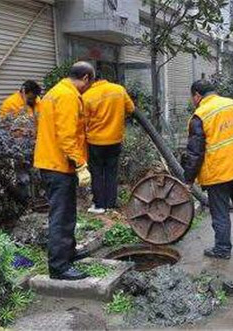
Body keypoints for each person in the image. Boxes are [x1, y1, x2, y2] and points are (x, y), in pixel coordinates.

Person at [181, 80, 233, 259]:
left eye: (193, 97)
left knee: (220, 211)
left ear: (197, 95)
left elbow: (195, 152)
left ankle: (222, 249)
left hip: (219, 173)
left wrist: (188, 180)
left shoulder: (200, 115)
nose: (193, 101)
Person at [34, 62, 95, 280]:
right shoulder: (68, 97)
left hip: (52, 162)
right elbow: (67, 136)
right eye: (89, 83)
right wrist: (80, 164)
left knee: (67, 211)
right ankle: (59, 267)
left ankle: (68, 253)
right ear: (86, 78)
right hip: (59, 165)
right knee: (61, 215)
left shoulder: (54, 92)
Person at [82, 76, 135, 214]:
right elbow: (131, 108)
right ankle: (111, 204)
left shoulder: (87, 96)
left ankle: (99, 205)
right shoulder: (119, 90)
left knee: (97, 172)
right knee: (112, 172)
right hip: (115, 140)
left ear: (93, 81)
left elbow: (83, 121)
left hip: (95, 142)